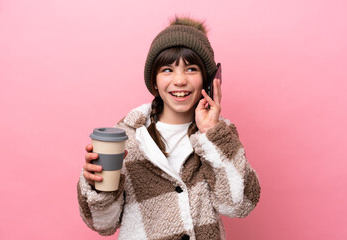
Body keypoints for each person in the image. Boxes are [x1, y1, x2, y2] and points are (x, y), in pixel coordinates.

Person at [77, 17, 260, 240]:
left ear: (207, 81)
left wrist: (211, 132)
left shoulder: (219, 135)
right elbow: (102, 224)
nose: (180, 80)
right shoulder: (127, 137)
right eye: (167, 70)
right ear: (154, 81)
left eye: (191, 69)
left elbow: (240, 205)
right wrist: (96, 186)